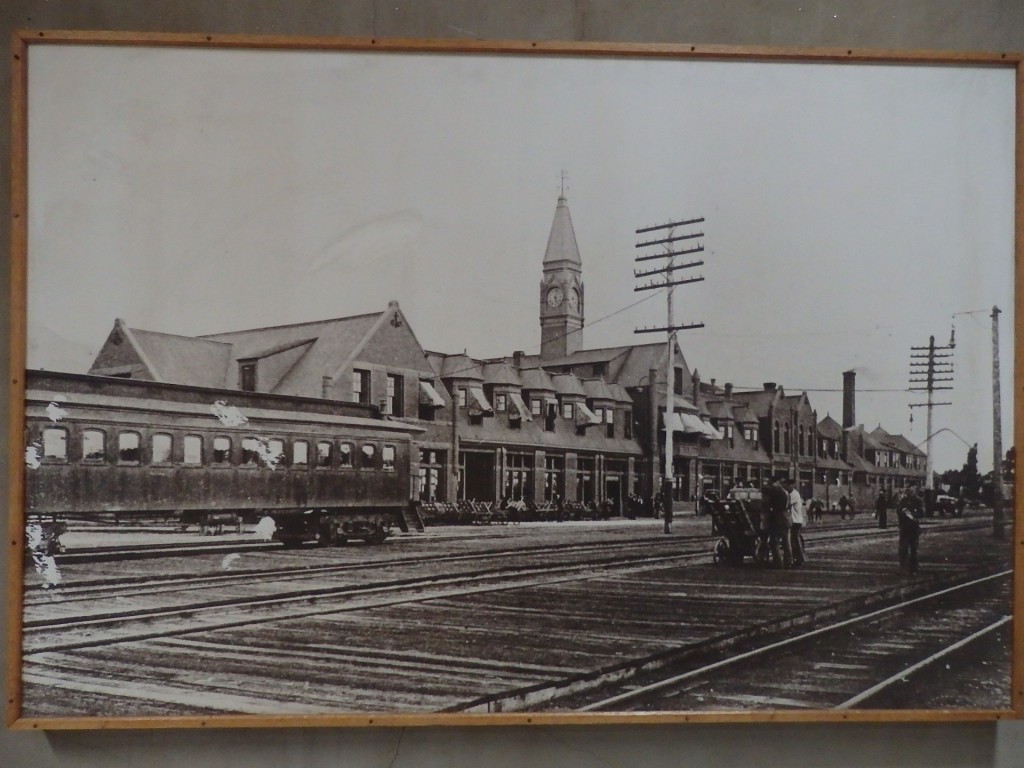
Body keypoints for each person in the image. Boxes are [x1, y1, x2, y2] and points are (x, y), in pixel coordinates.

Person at [761, 475, 792, 568]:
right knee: (786, 542)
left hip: (777, 520)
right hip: (786, 519)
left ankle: (778, 563)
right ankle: (788, 562)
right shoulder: (785, 492)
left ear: (773, 482)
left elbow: (766, 502)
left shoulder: (774, 491)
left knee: (774, 542)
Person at [897, 486, 924, 574]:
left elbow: (922, 513)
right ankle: (903, 567)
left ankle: (913, 568)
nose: (909, 492)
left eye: (911, 490)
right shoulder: (903, 501)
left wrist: (913, 514)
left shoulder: (918, 501)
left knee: (913, 549)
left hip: (913, 528)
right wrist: (902, 511)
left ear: (914, 491)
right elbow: (898, 510)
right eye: (908, 490)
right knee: (903, 549)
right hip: (904, 528)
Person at [783, 477, 805, 566]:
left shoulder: (794, 494)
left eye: (787, 486)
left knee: (794, 539)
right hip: (794, 519)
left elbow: (786, 504)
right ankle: (798, 558)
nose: (786, 488)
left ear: (792, 485)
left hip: (795, 520)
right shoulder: (791, 494)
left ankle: (799, 558)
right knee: (794, 539)